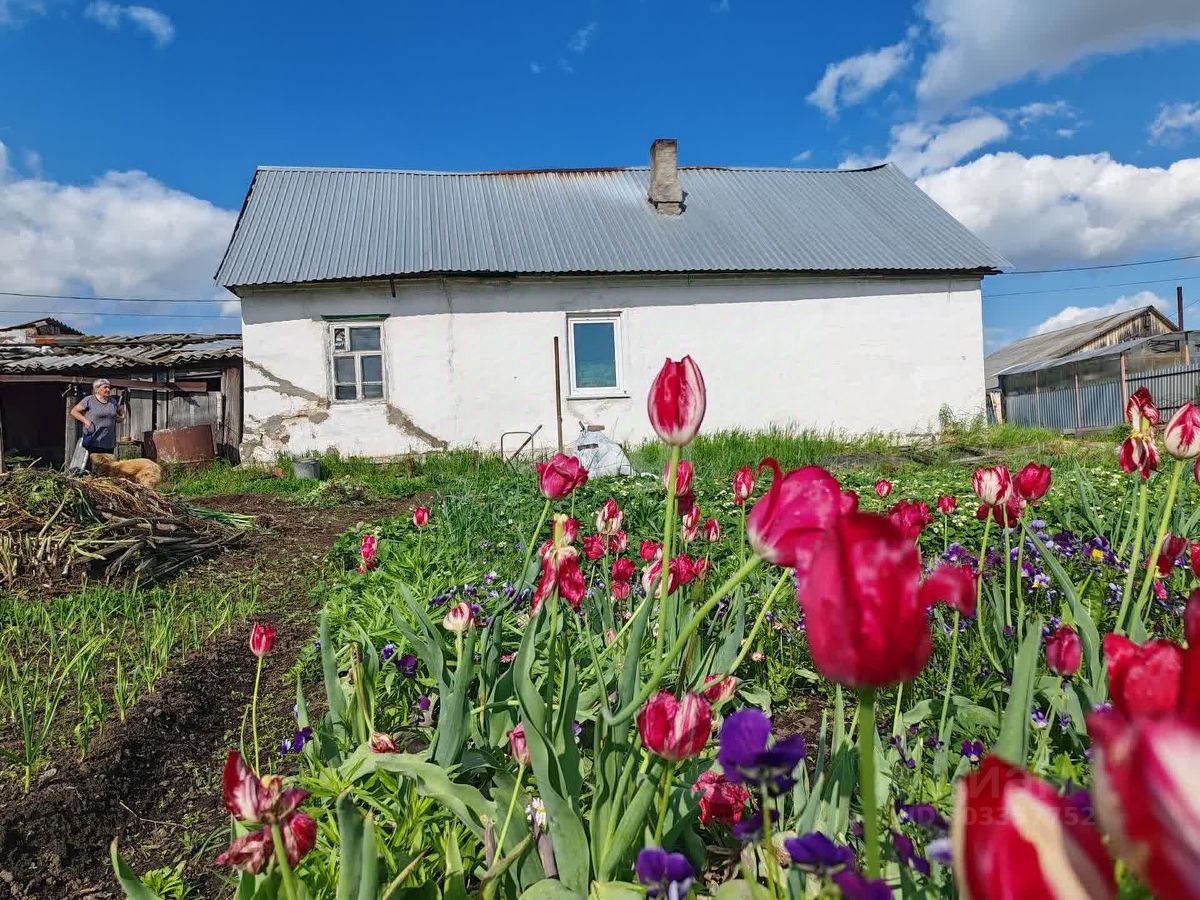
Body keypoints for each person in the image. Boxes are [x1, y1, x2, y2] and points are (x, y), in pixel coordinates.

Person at [71, 378, 125, 455]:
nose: (108, 389)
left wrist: (122, 417)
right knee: (94, 465)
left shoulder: (112, 401)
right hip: (94, 440)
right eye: (105, 387)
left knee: (107, 465)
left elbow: (120, 411)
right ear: (97, 389)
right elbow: (74, 411)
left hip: (108, 441)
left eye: (109, 387)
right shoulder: (89, 400)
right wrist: (86, 421)